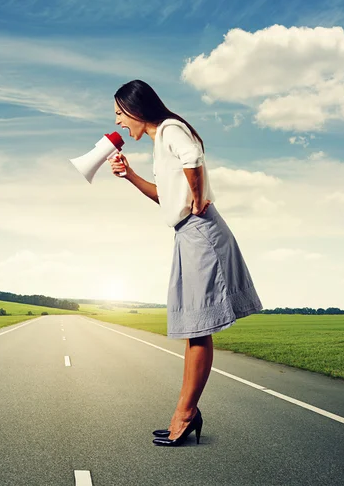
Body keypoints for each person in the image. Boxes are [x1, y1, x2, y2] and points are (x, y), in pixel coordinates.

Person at [108, 80, 262, 447]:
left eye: (119, 114)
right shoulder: (161, 141)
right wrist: (129, 175)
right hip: (187, 234)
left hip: (199, 231)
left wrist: (196, 199)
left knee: (198, 328)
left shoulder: (170, 130)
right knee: (196, 327)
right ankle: (185, 412)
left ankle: (185, 413)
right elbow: (165, 197)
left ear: (135, 109)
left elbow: (193, 158)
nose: (118, 123)